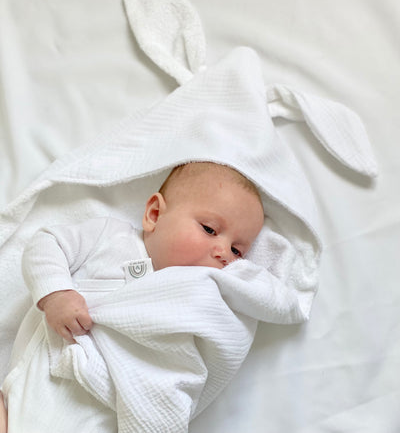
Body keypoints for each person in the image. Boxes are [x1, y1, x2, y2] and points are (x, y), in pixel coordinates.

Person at [0, 162, 264, 431]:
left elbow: (184, 371)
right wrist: (56, 294)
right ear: (154, 213)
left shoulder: (197, 302)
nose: (223, 253)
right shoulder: (111, 237)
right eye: (209, 229)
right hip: (40, 385)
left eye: (237, 250)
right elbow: (46, 244)